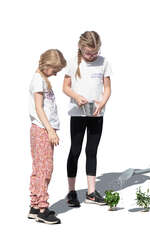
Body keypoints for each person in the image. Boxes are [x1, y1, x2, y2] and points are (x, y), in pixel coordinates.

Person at [63, 31, 112, 207]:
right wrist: (76, 97)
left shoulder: (104, 62)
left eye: (95, 52)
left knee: (92, 151)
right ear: (80, 48)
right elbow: (65, 87)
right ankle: (71, 191)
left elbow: (107, 88)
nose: (92, 56)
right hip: (77, 113)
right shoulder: (72, 61)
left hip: (96, 113)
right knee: (75, 150)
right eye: (88, 53)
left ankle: (91, 192)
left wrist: (102, 102)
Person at [28, 49, 66, 224]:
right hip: (42, 130)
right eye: (55, 69)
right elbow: (39, 108)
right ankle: (43, 209)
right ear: (47, 65)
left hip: (40, 129)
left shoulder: (42, 79)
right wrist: (50, 130)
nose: (56, 73)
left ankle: (35, 206)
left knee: (38, 168)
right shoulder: (38, 80)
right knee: (45, 169)